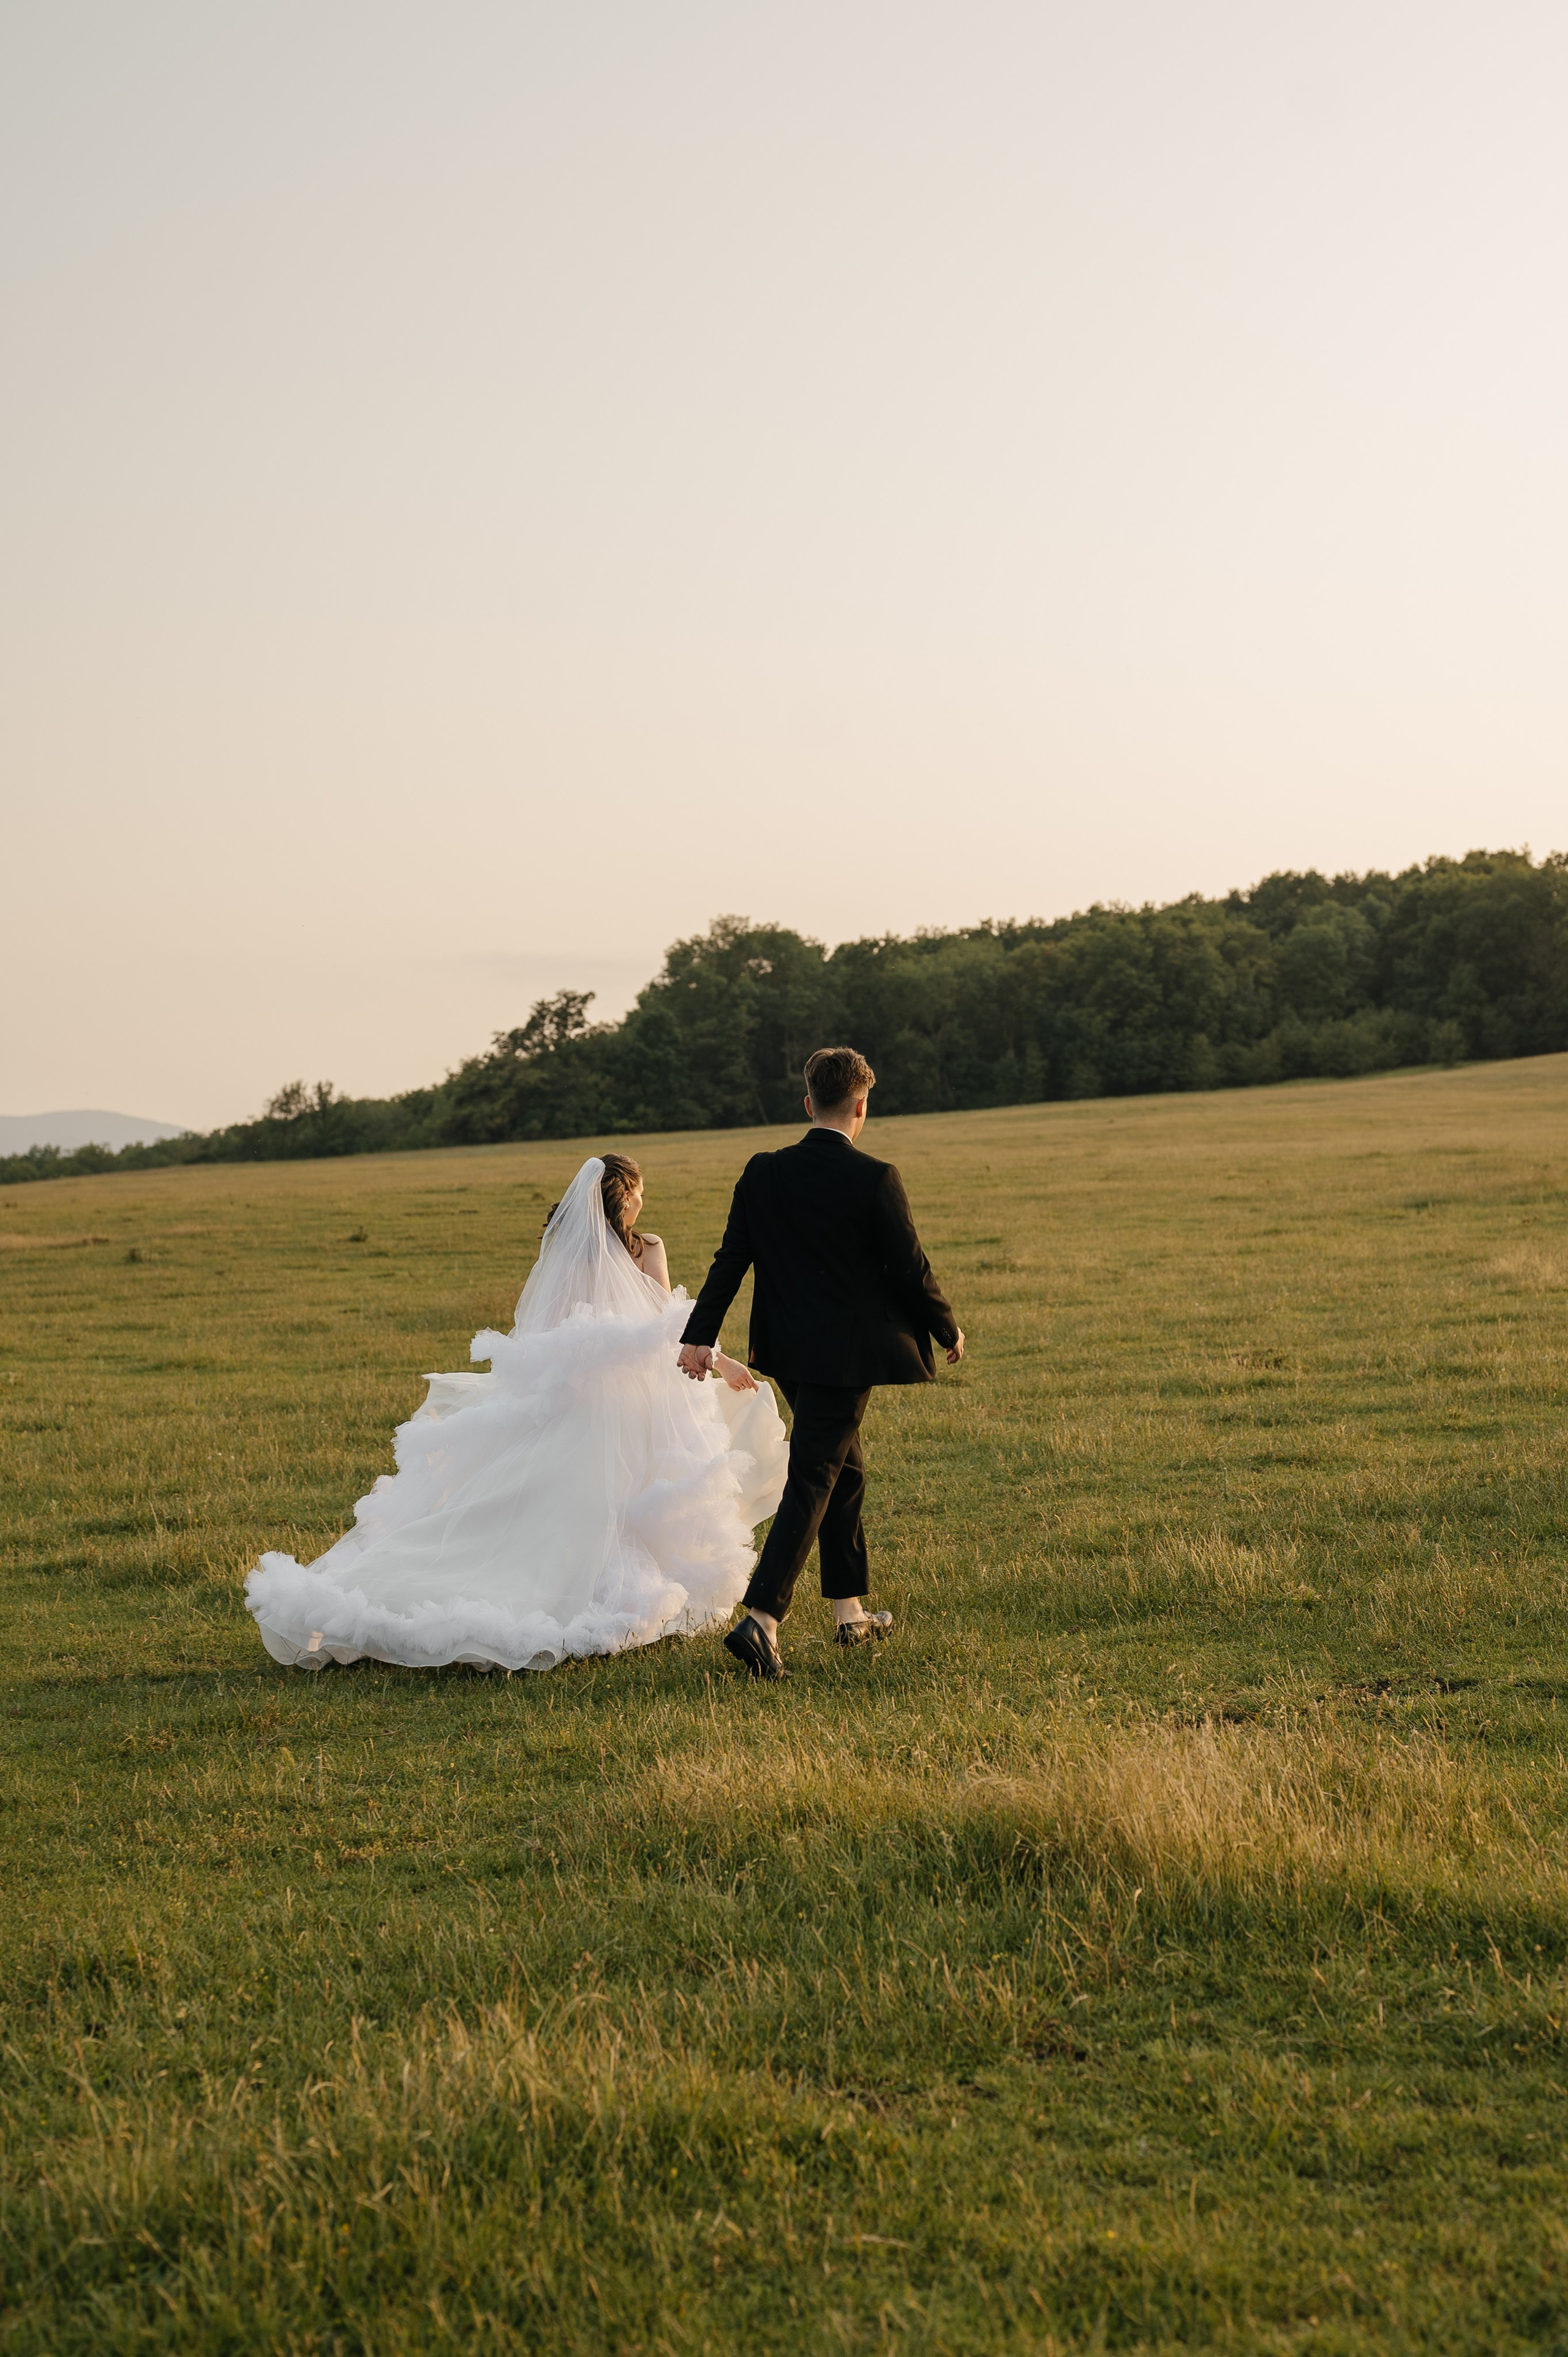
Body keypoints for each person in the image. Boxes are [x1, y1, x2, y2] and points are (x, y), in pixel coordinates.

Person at [246, 1155, 787, 1673]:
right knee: (611, 1496)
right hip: (628, 1400)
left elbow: (556, 1332)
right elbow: (669, 1323)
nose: (645, 1201)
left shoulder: (573, 1253)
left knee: (570, 1497)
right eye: (641, 1192)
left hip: (586, 1397)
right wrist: (720, 1360)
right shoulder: (647, 1248)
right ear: (626, 1198)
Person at [677, 1047, 963, 1680]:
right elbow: (910, 1267)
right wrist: (947, 1326)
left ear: (808, 1103)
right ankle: (762, 1619)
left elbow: (731, 1259)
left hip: (785, 1352)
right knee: (815, 1475)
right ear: (861, 1106)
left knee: (844, 1470)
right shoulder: (876, 1177)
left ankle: (849, 1612)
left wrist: (699, 1336)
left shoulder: (763, 1172)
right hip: (845, 1357)